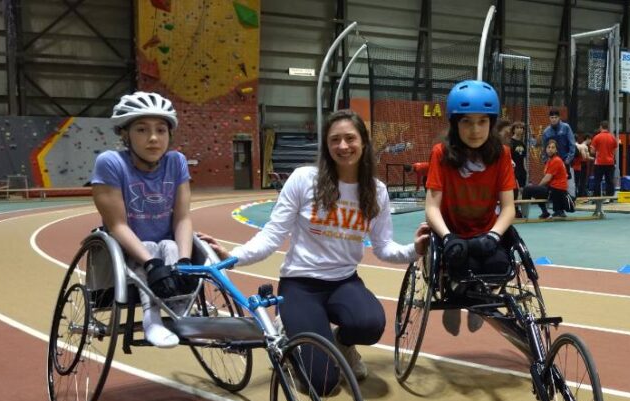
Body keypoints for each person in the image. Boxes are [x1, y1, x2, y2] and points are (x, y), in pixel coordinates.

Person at [201, 109, 429, 384]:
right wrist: (233, 256)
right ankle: (289, 331)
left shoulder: (375, 190)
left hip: (344, 282)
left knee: (370, 325)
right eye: (335, 140)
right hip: (300, 285)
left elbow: (383, 247)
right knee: (323, 384)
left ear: (364, 143)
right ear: (326, 145)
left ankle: (341, 343)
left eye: (350, 138)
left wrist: (414, 250)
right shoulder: (303, 179)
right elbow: (272, 235)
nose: (343, 146)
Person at [91, 91, 195, 349]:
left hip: (167, 247)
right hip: (130, 250)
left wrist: (183, 261)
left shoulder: (176, 161)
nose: (153, 138)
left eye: (161, 130)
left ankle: (180, 308)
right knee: (150, 247)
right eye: (141, 130)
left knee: (171, 247)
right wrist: (151, 264)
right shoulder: (110, 163)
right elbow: (117, 225)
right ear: (125, 134)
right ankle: (152, 319)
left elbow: (182, 217)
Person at [424, 79, 516, 336]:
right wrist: (447, 236)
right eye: (466, 121)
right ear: (455, 123)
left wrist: (494, 235)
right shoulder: (441, 153)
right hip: (452, 232)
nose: (475, 129)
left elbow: (508, 208)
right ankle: (454, 298)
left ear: (491, 123)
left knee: (500, 266)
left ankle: (477, 300)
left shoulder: (502, 154)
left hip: (486, 232)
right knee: (457, 264)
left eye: (482, 121)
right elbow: (431, 207)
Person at [522, 139, 571, 219]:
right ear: (546, 149)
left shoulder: (556, 160)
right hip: (553, 188)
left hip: (557, 191)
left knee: (527, 189)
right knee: (536, 189)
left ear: (556, 150)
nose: (550, 149)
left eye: (553, 148)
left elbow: (547, 179)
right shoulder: (550, 160)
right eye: (549, 147)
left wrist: (537, 187)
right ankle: (545, 212)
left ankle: (523, 214)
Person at [540, 109, 576, 195]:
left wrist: (568, 160)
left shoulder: (566, 127)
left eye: (555, 117)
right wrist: (546, 161)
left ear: (559, 118)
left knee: (570, 186)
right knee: (552, 184)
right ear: (549, 118)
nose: (554, 119)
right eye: (552, 117)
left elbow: (572, 144)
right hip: (553, 163)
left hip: (565, 161)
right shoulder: (546, 131)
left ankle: (571, 201)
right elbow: (544, 148)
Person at [589, 120, 618, 198]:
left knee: (597, 181)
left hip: (599, 163)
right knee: (610, 181)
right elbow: (614, 151)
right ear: (607, 127)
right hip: (610, 163)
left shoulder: (597, 137)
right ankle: (610, 197)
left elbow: (592, 151)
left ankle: (597, 198)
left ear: (601, 127)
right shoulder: (612, 137)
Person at [508, 121, 529, 217]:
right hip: (513, 170)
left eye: (521, 128)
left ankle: (519, 210)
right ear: (513, 129)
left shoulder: (523, 144)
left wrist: (525, 170)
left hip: (521, 171)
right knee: (514, 191)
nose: (519, 129)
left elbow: (524, 158)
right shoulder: (510, 142)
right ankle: (514, 210)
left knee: (521, 190)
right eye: (517, 127)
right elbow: (508, 157)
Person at [573, 133, 593, 197]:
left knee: (578, 181)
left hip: (575, 165)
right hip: (582, 165)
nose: (591, 141)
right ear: (587, 139)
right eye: (590, 139)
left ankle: (580, 193)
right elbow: (585, 157)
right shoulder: (584, 146)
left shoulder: (579, 145)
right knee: (582, 180)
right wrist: (594, 158)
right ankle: (581, 194)